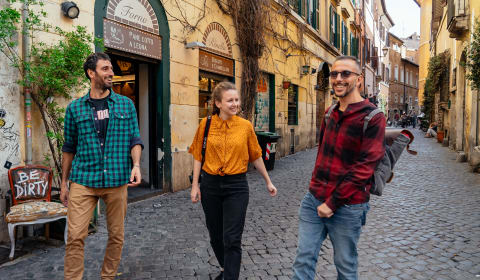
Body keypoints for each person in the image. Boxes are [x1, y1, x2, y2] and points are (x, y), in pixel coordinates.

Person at [292, 56, 386, 280]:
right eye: (334, 74)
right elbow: (322, 154)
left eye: (345, 74)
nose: (338, 79)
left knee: (345, 266)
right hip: (314, 199)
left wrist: (332, 203)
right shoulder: (329, 113)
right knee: (303, 260)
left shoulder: (373, 117)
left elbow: (365, 169)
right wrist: (315, 191)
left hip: (349, 206)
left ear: (359, 80)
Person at [60, 52, 143, 280]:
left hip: (117, 178)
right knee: (75, 236)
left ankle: (107, 277)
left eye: (111, 69)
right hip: (83, 179)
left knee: (117, 235)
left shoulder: (126, 105)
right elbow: (69, 148)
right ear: (91, 73)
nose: (111, 73)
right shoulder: (75, 108)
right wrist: (64, 184)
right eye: (105, 69)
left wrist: (136, 164)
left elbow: (135, 139)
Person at [189, 81, 277, 280]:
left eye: (236, 100)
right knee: (215, 235)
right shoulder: (206, 124)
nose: (235, 104)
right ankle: (225, 266)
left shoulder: (245, 126)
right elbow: (197, 156)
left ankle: (230, 276)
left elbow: (255, 155)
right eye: (230, 100)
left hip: (236, 186)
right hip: (210, 185)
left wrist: (268, 181)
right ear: (218, 103)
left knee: (232, 237)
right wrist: (195, 186)